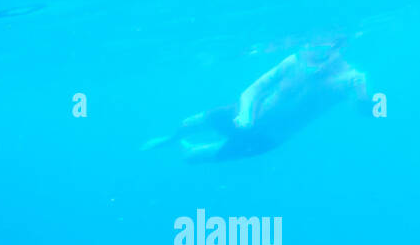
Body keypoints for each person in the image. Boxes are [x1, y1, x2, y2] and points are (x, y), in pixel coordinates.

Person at [142, 43, 368, 162]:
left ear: (341, 49)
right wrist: (245, 115)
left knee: (192, 158)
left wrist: (364, 97)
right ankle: (171, 138)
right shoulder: (295, 61)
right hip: (244, 115)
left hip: (268, 139)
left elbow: (361, 111)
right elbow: (253, 90)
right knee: (189, 123)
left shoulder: (350, 80)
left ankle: (188, 147)